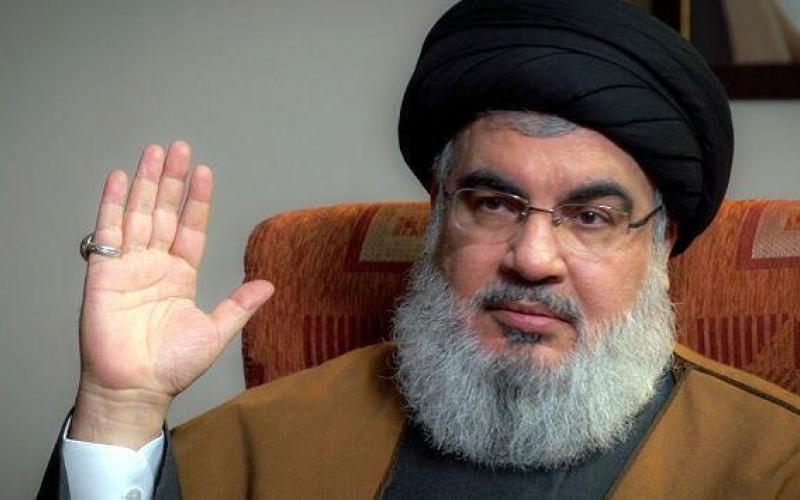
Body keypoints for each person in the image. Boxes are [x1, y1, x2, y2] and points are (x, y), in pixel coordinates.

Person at [39, 0, 800, 498]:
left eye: (592, 216)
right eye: (493, 203)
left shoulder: (774, 464)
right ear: (439, 215)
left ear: (661, 243)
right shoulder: (266, 447)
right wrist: (119, 407)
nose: (533, 258)